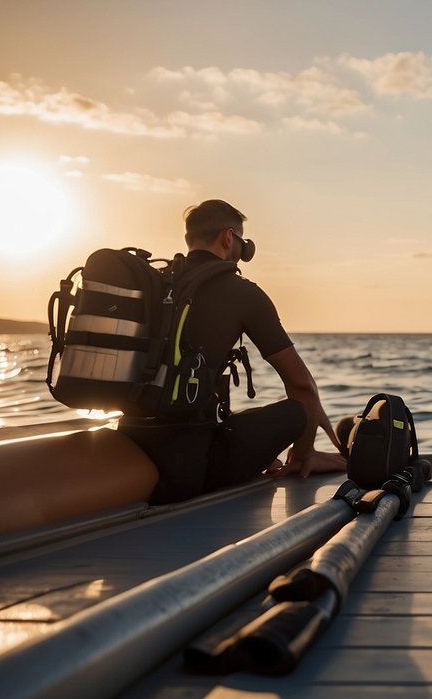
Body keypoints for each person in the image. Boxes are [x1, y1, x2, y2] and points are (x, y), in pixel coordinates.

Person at [119, 200, 345, 503]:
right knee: (300, 406)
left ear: (190, 240)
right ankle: (306, 461)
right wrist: (304, 453)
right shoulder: (242, 292)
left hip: (132, 438)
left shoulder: (158, 284)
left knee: (245, 416)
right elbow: (302, 386)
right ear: (229, 238)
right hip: (195, 469)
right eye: (241, 240)